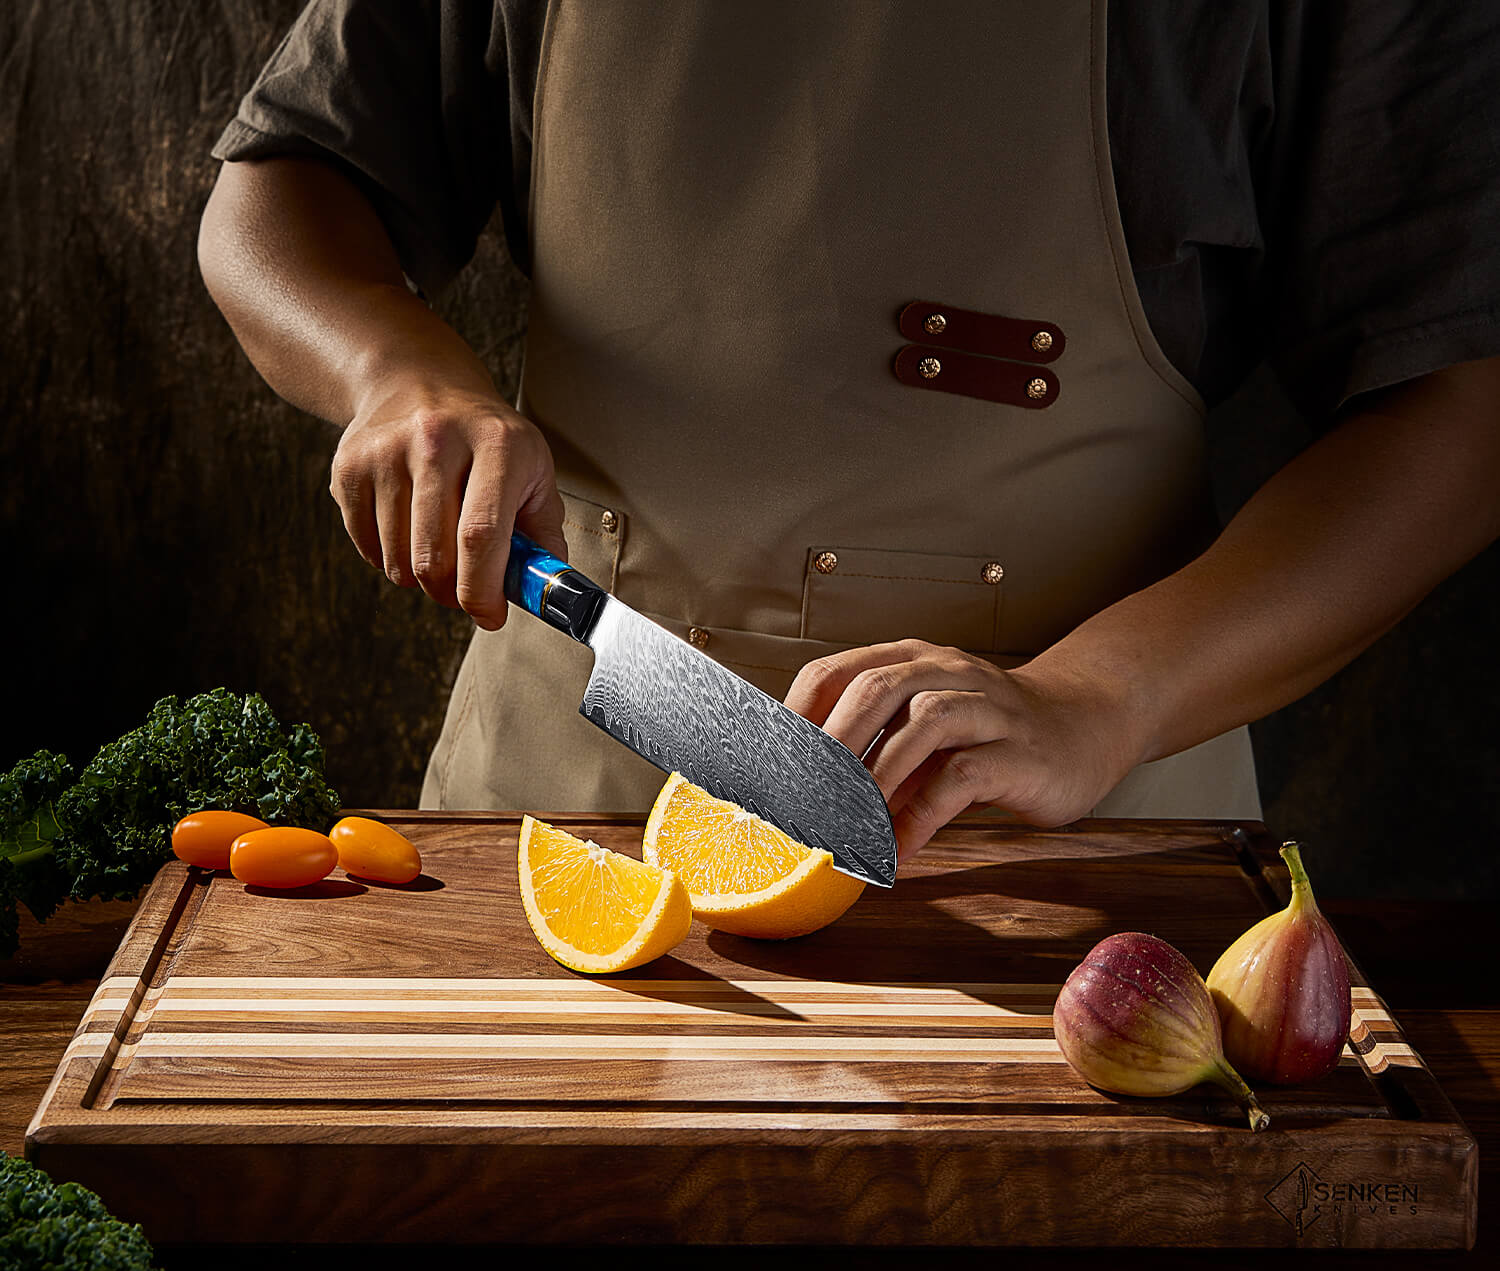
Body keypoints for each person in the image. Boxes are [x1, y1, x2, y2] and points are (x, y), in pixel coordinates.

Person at [199, 2, 1500, 864]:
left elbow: (1464, 407)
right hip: (558, 806)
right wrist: (394, 370)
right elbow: (283, 184)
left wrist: (1100, 697)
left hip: (1077, 849)